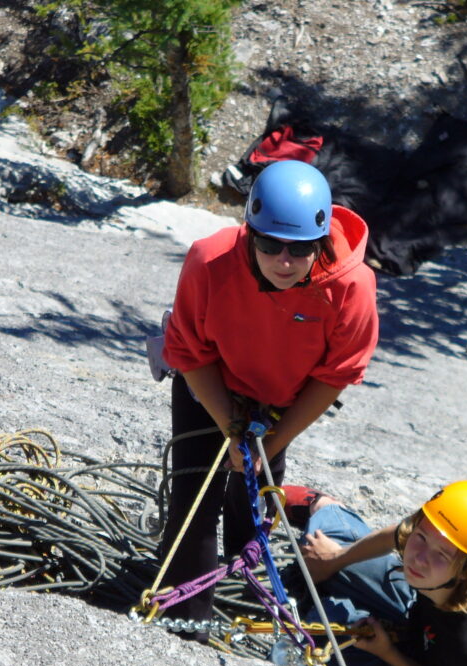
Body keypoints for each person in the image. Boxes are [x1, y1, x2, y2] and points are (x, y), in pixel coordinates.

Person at [157, 160, 378, 635]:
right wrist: (228, 425)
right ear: (249, 232)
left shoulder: (350, 286)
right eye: (270, 244)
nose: (283, 260)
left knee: (253, 497)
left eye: (299, 250)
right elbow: (189, 352)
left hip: (279, 401)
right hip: (211, 385)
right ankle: (184, 625)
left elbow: (337, 374)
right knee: (194, 502)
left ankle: (243, 598)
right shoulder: (210, 260)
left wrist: (269, 445)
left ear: (319, 243)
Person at [285, 480, 467, 666]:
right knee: (328, 546)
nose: (419, 558)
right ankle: (325, 506)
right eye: (421, 537)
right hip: (423, 605)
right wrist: (334, 559)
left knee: (297, 655)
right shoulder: (454, 554)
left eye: (441, 555)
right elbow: (401, 534)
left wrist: (387, 652)